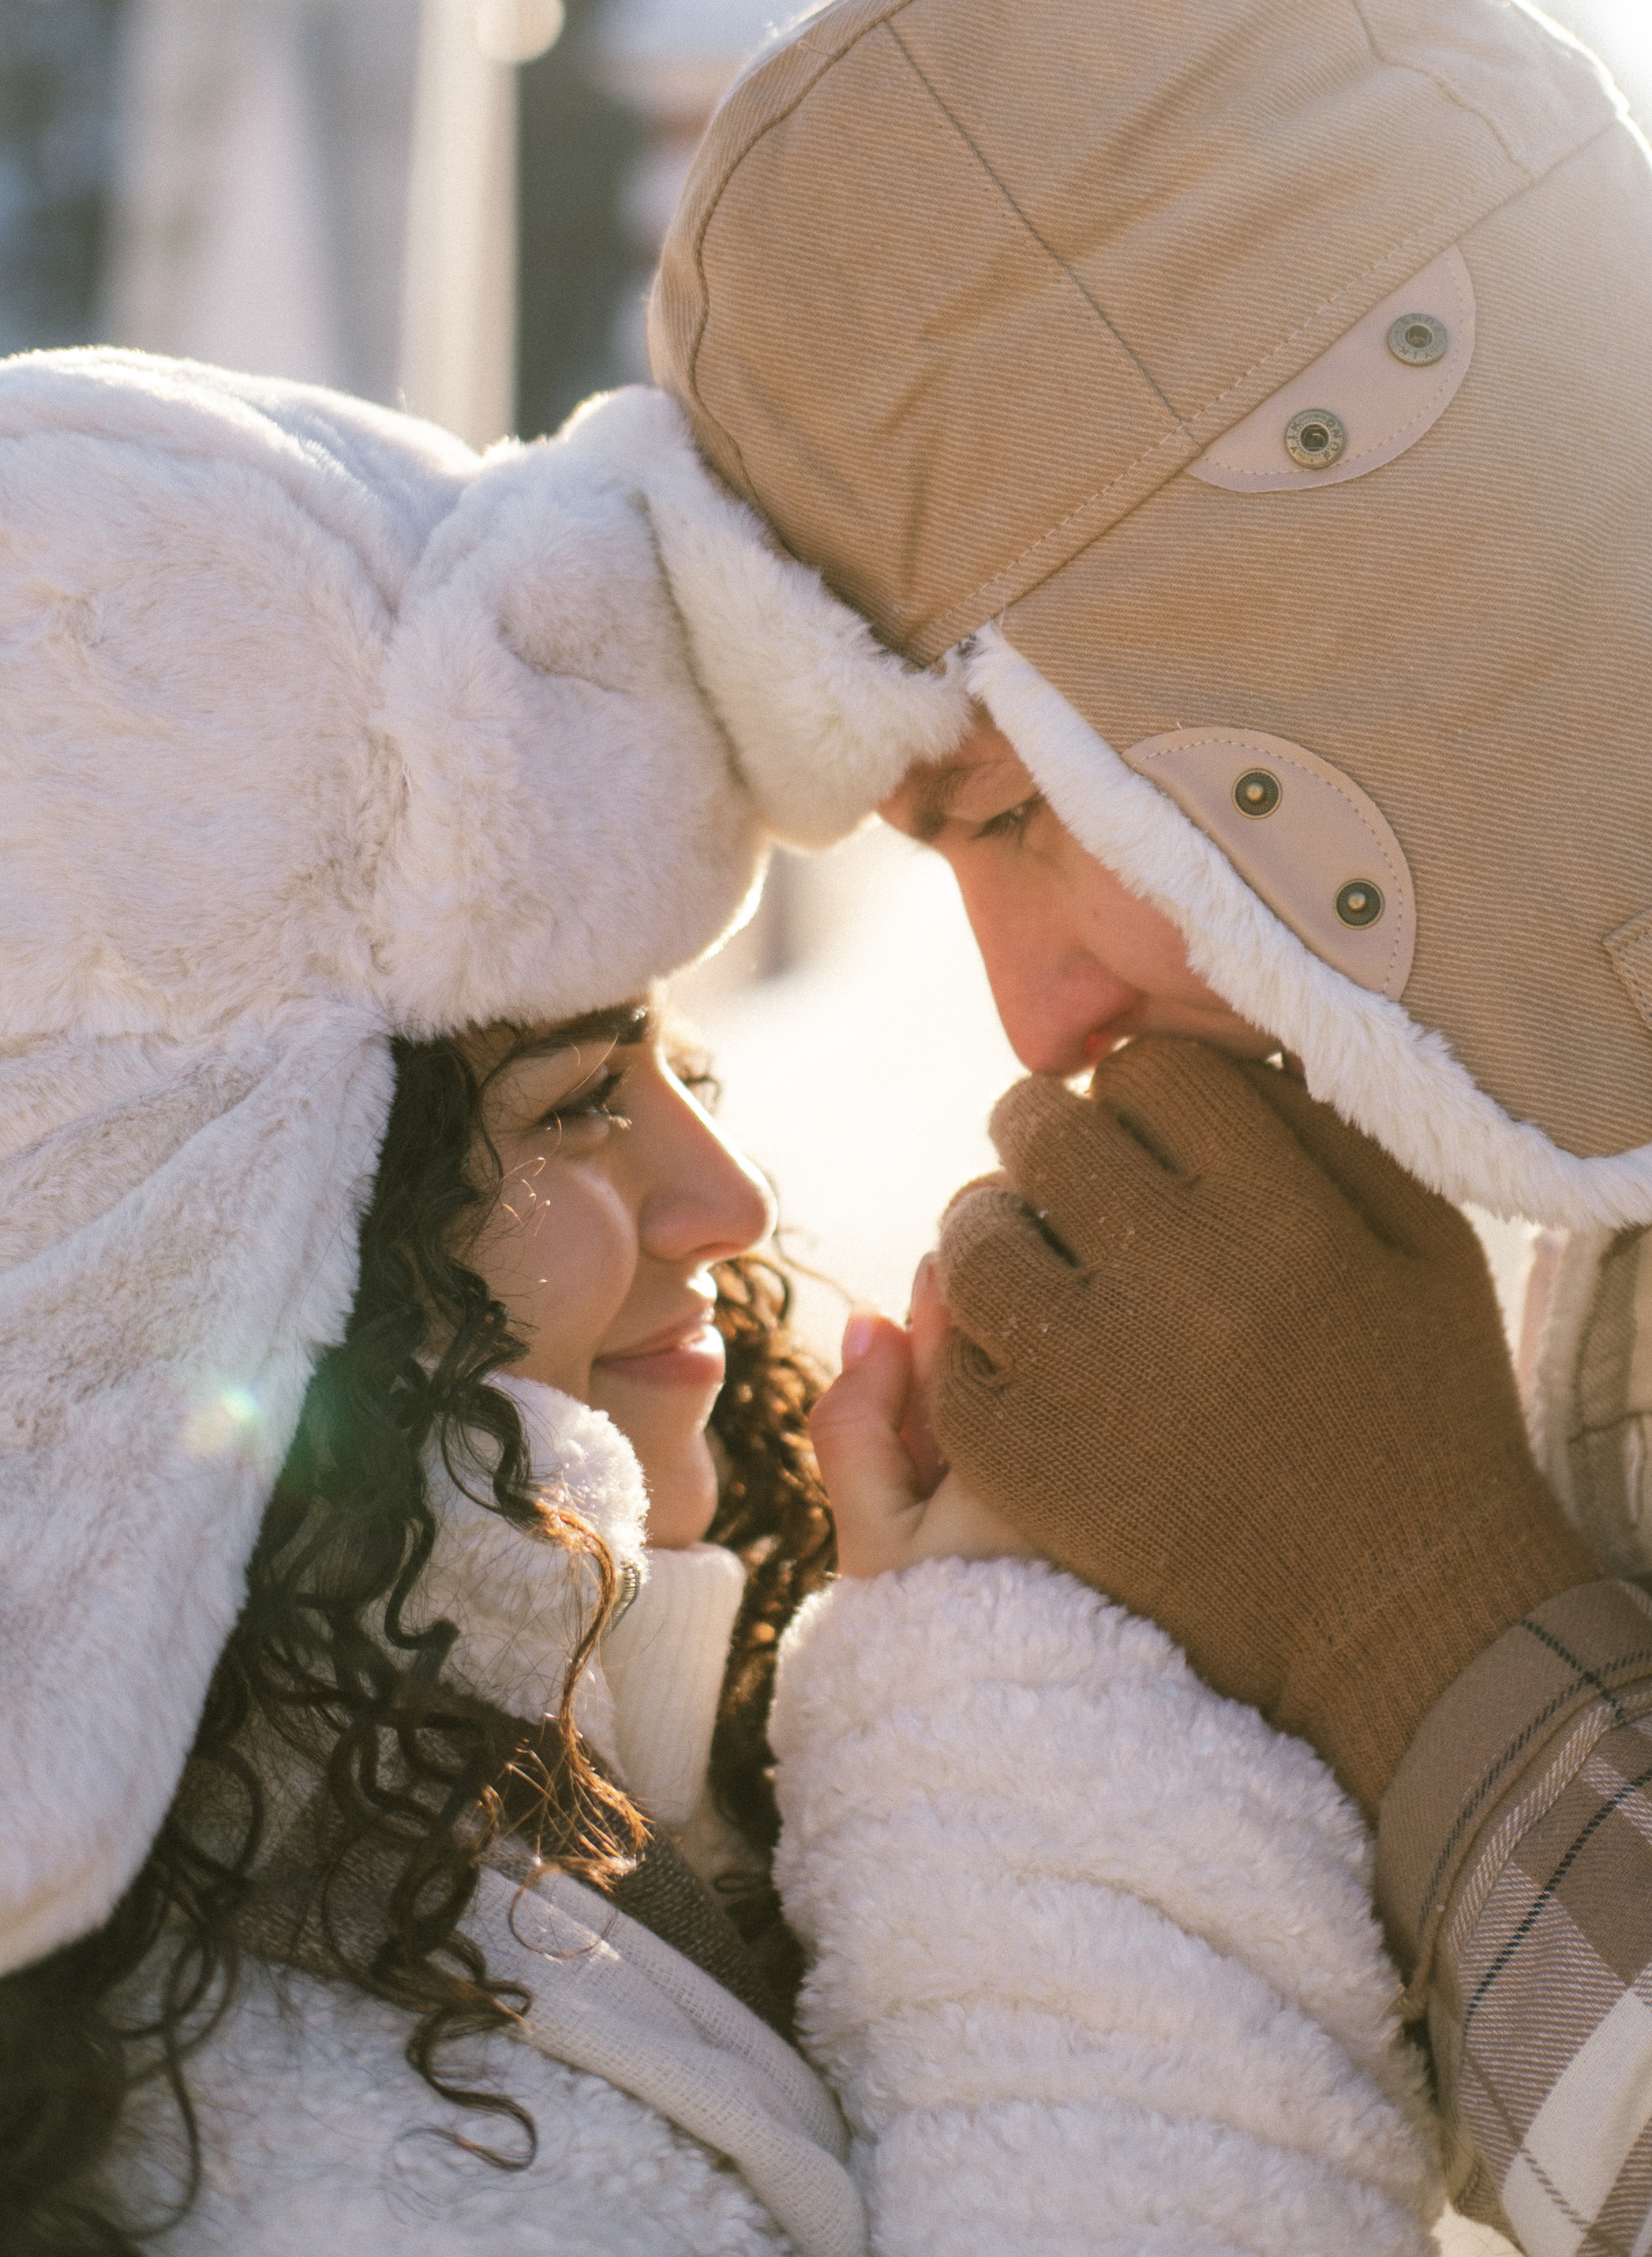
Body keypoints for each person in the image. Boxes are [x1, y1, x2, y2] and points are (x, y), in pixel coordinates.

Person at [646, 0, 1652, 2246]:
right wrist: (1092, 1671)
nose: (1035, 1017)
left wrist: (1412, 1624)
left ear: (1318, 620)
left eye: (1018, 812)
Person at [0, 349, 1441, 2254]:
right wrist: (1013, 1707)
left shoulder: (496, 1826)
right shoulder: (286, 2158)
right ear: (199, 1223)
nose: (727, 1195)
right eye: (575, 1103)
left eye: (673, 1063)